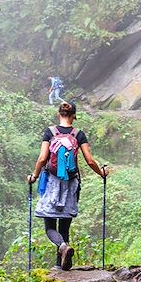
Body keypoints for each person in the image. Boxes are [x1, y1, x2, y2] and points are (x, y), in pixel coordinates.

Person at [27, 101, 107, 270]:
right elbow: (90, 160)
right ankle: (61, 264)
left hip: (51, 183)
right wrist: (102, 173)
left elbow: (42, 159)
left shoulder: (50, 132)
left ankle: (62, 249)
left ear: (59, 114)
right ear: (74, 116)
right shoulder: (78, 134)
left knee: (50, 227)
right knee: (65, 227)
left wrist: (34, 176)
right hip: (70, 184)